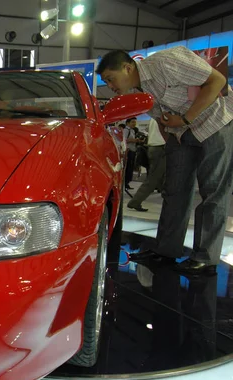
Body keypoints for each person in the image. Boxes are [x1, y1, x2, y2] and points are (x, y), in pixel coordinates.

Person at [97, 46, 233, 274]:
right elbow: (159, 116)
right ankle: (166, 250)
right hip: (180, 134)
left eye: (111, 79)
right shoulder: (138, 90)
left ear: (127, 67)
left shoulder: (166, 62)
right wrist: (170, 132)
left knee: (213, 191)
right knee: (175, 190)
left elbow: (217, 80)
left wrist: (185, 119)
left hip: (214, 124)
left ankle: (205, 257)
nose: (111, 87)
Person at [127, 118, 166, 212]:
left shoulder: (154, 117)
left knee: (161, 178)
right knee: (153, 178)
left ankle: (170, 201)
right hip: (160, 148)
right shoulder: (164, 115)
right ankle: (135, 201)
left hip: (154, 148)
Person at [123, 117, 144, 190]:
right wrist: (134, 140)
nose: (134, 124)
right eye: (132, 122)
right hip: (128, 151)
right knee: (127, 168)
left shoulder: (132, 130)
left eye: (135, 122)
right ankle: (125, 183)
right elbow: (124, 140)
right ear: (127, 123)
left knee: (131, 168)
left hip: (132, 151)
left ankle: (127, 183)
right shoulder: (126, 130)